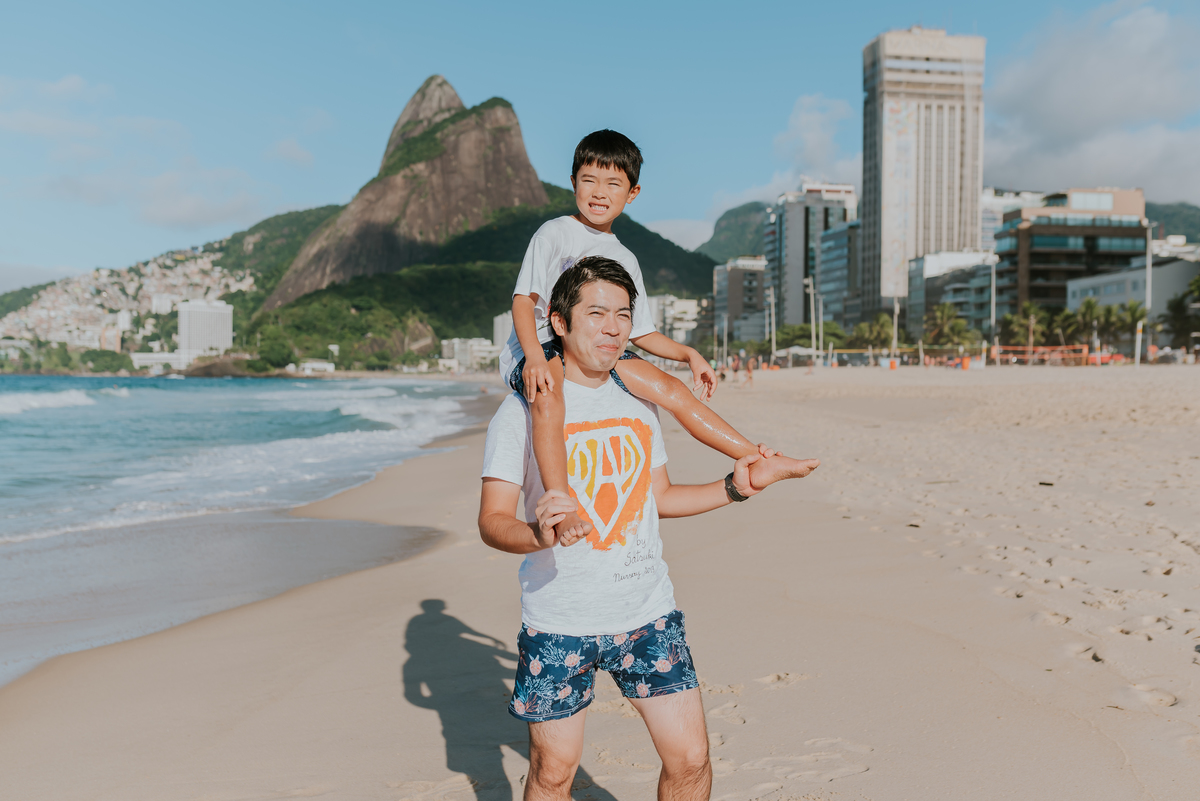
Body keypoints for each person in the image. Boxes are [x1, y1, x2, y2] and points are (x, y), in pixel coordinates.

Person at [479, 258, 820, 800]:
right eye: (596, 313)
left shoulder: (638, 402)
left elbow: (657, 498)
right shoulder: (521, 410)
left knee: (691, 760)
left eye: (623, 314)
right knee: (553, 772)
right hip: (559, 623)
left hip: (647, 614)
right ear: (560, 324)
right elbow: (492, 523)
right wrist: (539, 534)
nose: (613, 327)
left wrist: (734, 488)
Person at [499, 129, 811, 543]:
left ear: (633, 193)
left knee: (671, 390)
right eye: (589, 180)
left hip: (600, 348)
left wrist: (688, 354)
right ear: (573, 182)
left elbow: (642, 331)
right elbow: (524, 301)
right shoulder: (553, 234)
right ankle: (562, 503)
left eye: (613, 183)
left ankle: (756, 457)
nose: (599, 192)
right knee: (548, 396)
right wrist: (536, 357)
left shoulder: (624, 257)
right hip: (542, 343)